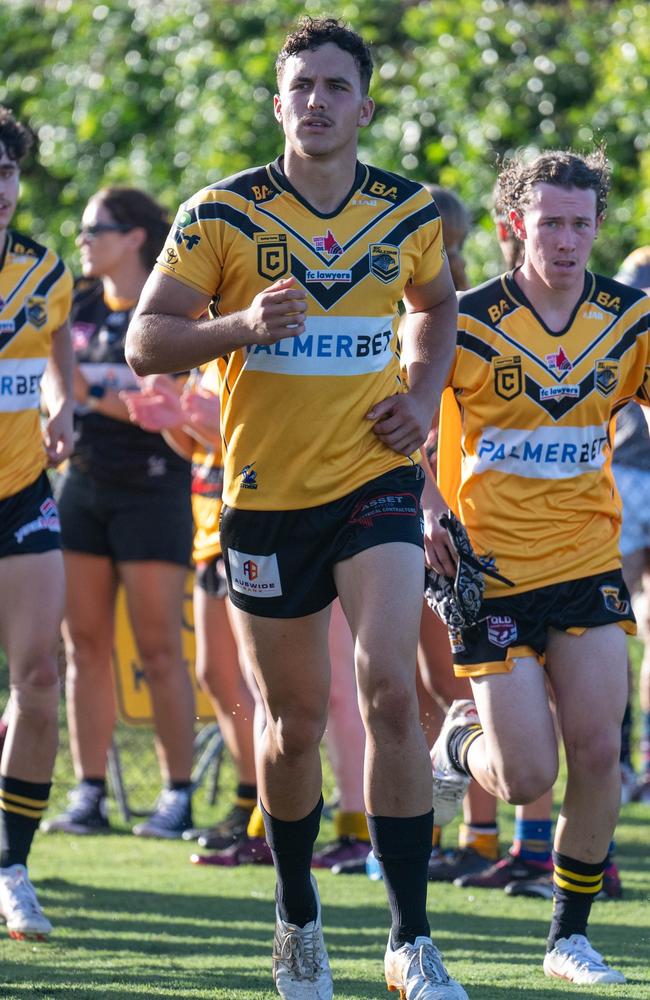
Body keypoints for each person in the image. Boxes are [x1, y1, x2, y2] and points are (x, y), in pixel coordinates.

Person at [126, 16, 466, 1000]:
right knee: (291, 725)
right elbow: (148, 342)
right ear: (277, 105)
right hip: (265, 501)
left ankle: (408, 938)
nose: (315, 101)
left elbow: (435, 305)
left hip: (374, 484)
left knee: (391, 690)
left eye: (333, 86)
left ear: (365, 104)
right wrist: (238, 322)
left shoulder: (406, 213)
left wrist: (419, 391)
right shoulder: (220, 214)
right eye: (299, 87)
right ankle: (296, 918)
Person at [427, 149, 649, 986]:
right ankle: (458, 745)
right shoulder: (464, 318)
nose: (565, 239)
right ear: (511, 225)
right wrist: (425, 508)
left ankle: (569, 937)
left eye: (580, 223)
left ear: (599, 226)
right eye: (548, 221)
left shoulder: (629, 320)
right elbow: (400, 420)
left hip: (588, 560)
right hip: (488, 568)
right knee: (528, 778)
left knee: (599, 755)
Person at [42, 187, 196, 840]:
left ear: (134, 236)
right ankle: (88, 791)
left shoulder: (167, 307)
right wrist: (87, 396)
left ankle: (178, 794)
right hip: (84, 484)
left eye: (94, 228)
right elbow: (64, 383)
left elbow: (169, 403)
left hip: (155, 487)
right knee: (84, 647)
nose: (83, 239)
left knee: (160, 648)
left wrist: (90, 394)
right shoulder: (73, 301)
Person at [0, 106, 74, 939]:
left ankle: (13, 867)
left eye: (8, 174)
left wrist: (61, 409)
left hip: (22, 494)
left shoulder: (45, 270)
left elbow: (55, 355)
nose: (0, 191)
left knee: (39, 679)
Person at [610, 247, 650, 805]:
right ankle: (631, 761)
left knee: (615, 620)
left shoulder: (636, 270)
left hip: (624, 473)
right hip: (628, 473)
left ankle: (622, 762)